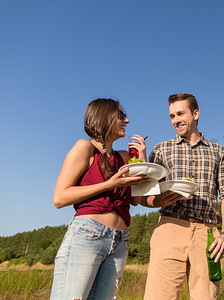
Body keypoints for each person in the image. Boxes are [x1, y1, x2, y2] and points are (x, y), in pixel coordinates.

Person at [50, 98, 149, 299]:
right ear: (104, 117)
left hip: (121, 240)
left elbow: (136, 201)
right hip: (88, 234)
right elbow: (59, 198)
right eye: (121, 115)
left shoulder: (123, 157)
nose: (127, 121)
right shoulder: (85, 148)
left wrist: (142, 162)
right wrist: (109, 184)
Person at [141, 93, 224, 300]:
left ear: (196, 113)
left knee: (206, 297)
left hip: (208, 233)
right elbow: (144, 194)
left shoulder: (218, 151)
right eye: (172, 116)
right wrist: (158, 201)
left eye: (180, 114)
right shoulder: (161, 149)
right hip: (170, 227)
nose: (176, 120)